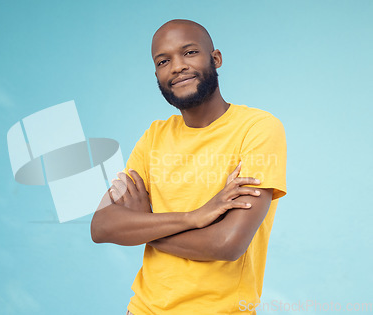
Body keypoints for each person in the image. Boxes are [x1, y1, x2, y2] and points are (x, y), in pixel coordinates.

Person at [90, 19, 287, 315]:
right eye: (163, 61)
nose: (177, 66)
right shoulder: (154, 135)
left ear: (215, 58)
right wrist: (194, 218)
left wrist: (145, 224)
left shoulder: (257, 129)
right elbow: (102, 226)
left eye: (190, 52)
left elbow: (227, 243)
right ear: (156, 73)